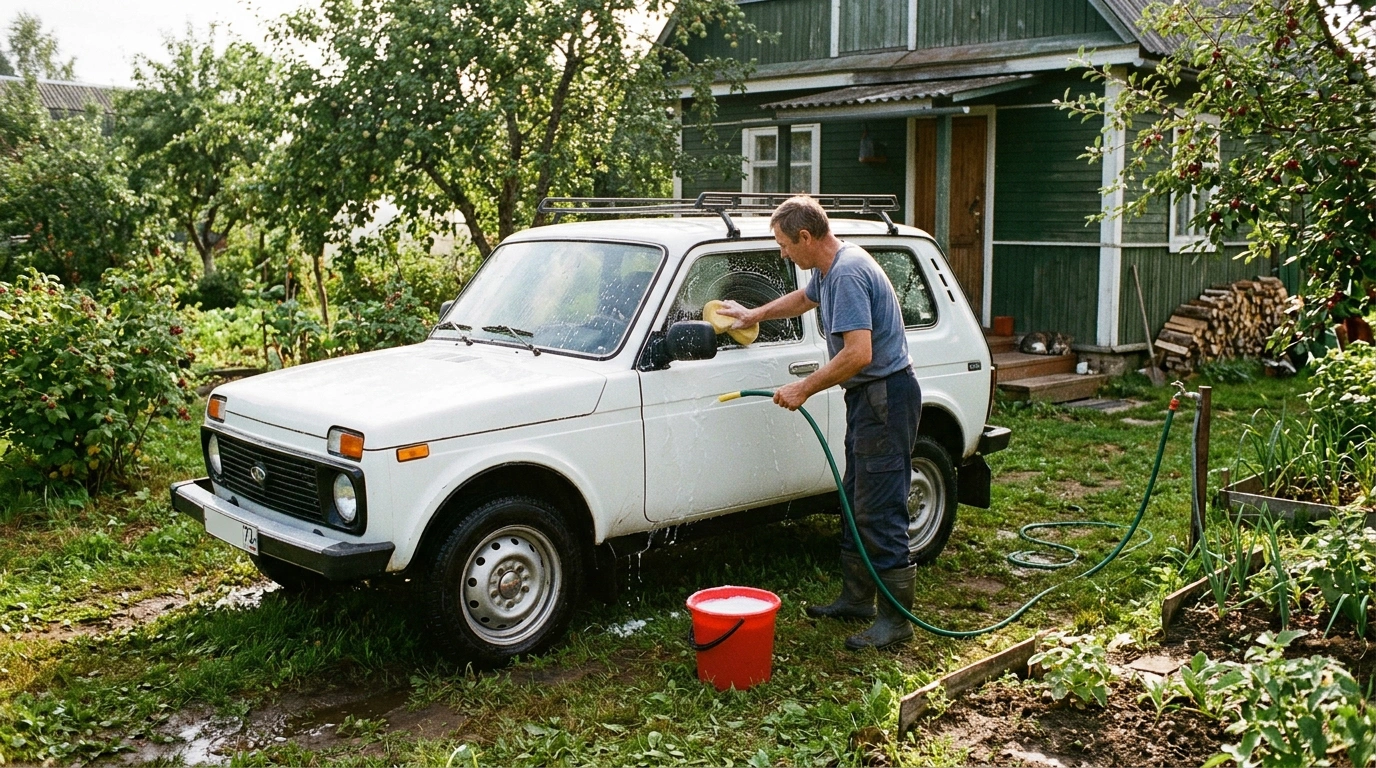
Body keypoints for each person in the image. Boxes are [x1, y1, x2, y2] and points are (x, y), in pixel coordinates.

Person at [716, 196, 922, 651]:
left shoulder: (847, 274)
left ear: (806, 237)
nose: (783, 254)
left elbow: (858, 353)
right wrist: (755, 314)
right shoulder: (830, 268)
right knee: (855, 496)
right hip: (870, 398)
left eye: (784, 245)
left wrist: (803, 388)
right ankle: (857, 598)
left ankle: (896, 620)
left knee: (881, 505)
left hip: (885, 396)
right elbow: (804, 299)